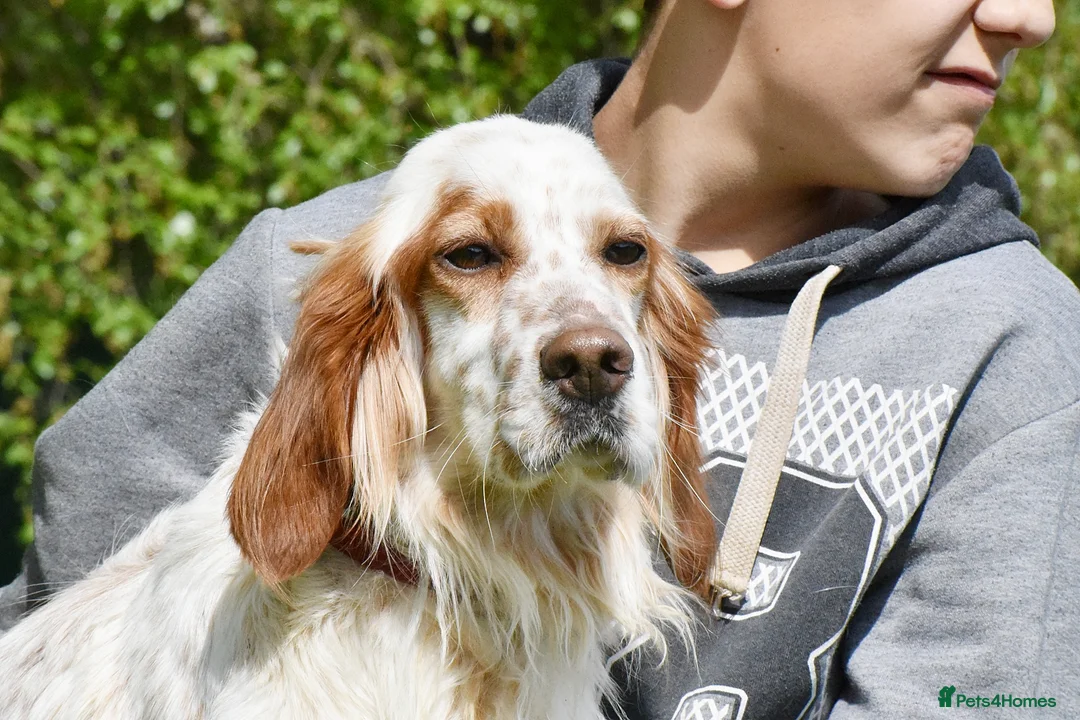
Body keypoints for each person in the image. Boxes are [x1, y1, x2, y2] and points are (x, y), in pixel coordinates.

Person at [2, 0, 1075, 717]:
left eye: (622, 261)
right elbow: (61, 601)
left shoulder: (1011, 352)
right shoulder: (315, 259)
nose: (1030, 16)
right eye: (473, 258)